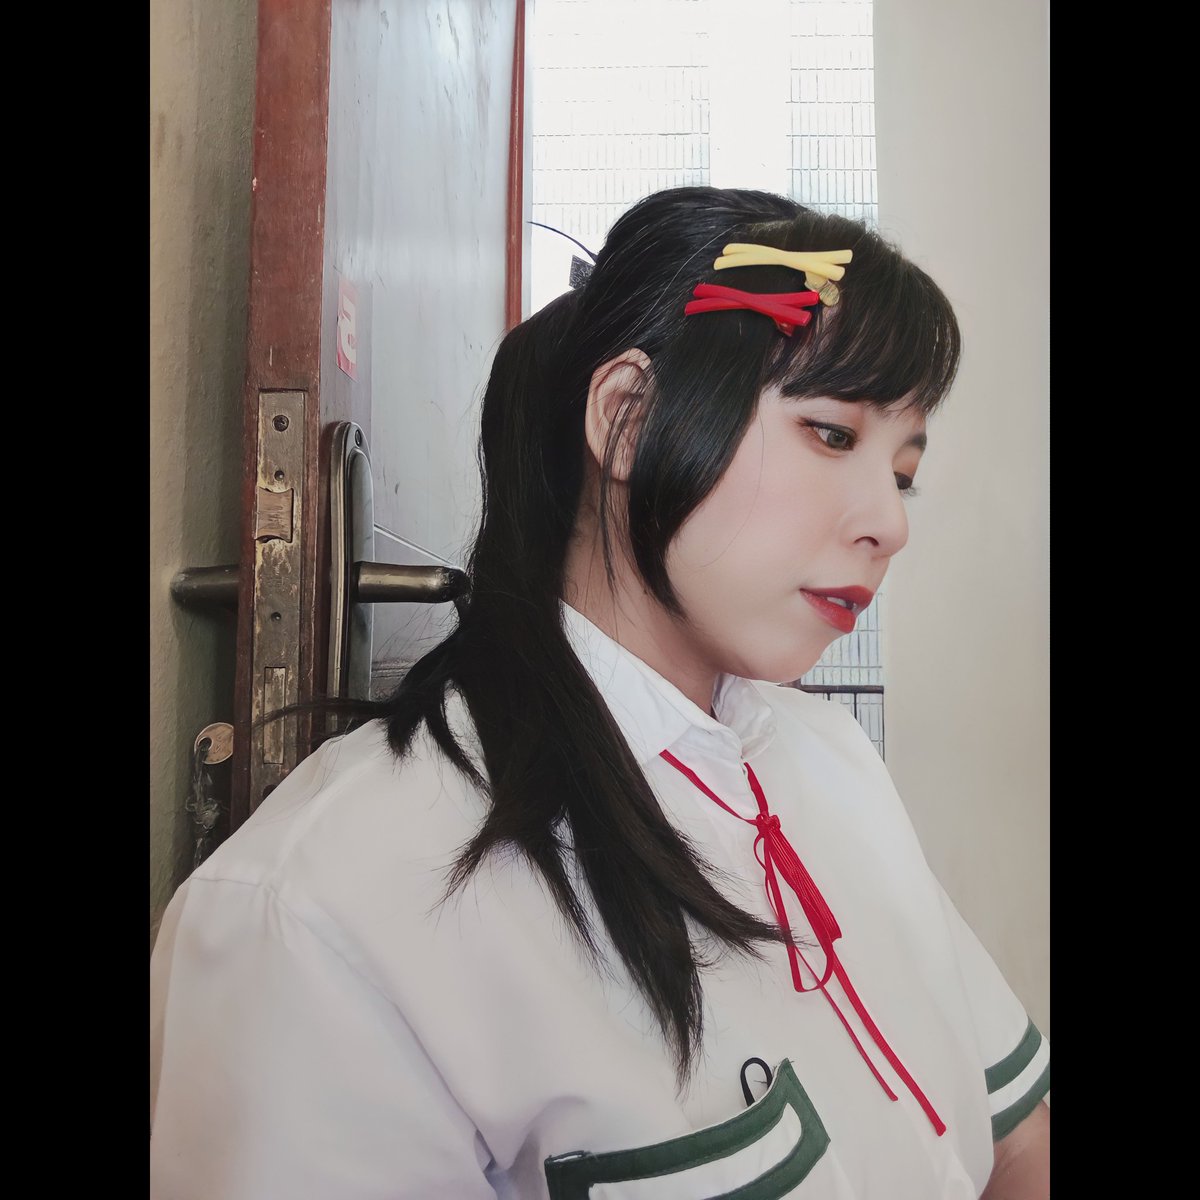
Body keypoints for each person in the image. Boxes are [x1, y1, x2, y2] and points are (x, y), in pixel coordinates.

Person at [150, 186, 1049, 1198]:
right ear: (628, 419)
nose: (891, 522)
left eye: (905, 471)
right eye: (833, 435)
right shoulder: (319, 914)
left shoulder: (832, 761)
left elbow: (1018, 1140)